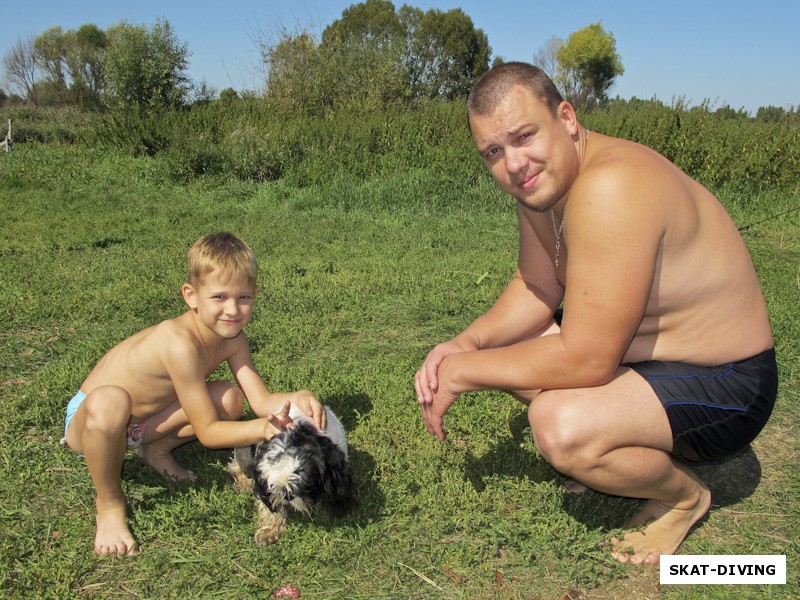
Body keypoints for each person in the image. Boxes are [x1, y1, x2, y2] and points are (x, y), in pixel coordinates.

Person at [415, 62, 777, 565]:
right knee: (522, 347)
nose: (514, 164)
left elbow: (587, 360)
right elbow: (537, 284)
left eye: (524, 136)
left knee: (559, 425)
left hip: (728, 384)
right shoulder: (543, 189)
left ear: (566, 117)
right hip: (653, 363)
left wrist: (461, 373)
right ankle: (626, 443)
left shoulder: (613, 187)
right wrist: (467, 343)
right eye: (494, 152)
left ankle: (683, 498)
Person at [62, 232, 327, 557]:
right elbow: (208, 432)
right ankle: (109, 503)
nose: (232, 309)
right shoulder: (179, 344)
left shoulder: (235, 340)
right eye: (219, 297)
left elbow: (260, 401)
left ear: (255, 294)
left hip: (143, 424)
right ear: (191, 296)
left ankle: (155, 449)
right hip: (93, 422)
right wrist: (262, 428)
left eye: (243, 297)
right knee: (111, 400)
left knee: (230, 399)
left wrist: (298, 398)